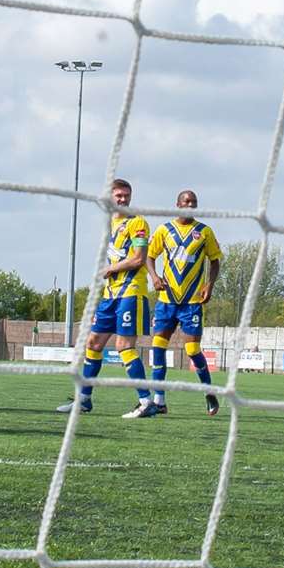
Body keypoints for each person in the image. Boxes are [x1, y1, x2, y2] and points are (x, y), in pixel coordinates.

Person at [58, 179, 153, 417]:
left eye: (126, 195)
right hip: (111, 295)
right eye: (118, 195)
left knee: (124, 346)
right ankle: (84, 400)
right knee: (93, 344)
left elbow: (139, 258)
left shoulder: (138, 223)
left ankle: (146, 402)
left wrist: (111, 269)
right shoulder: (110, 224)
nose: (123, 199)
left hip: (130, 293)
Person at [145, 190, 223, 416]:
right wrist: (154, 276)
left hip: (191, 302)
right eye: (186, 201)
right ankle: (159, 400)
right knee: (158, 347)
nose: (190, 205)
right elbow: (150, 255)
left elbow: (215, 260)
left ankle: (209, 393)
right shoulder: (164, 230)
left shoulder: (204, 232)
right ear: (177, 204)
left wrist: (210, 284)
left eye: (194, 202)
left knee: (192, 349)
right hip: (166, 300)